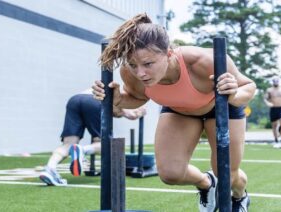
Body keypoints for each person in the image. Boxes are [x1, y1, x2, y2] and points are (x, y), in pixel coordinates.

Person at [92, 13, 256, 212]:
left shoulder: (203, 61)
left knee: (227, 175)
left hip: (221, 106)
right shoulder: (130, 72)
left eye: (148, 64)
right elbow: (138, 98)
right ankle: (206, 184)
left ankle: (240, 197)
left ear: (169, 54)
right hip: (180, 111)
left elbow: (249, 86)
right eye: (134, 65)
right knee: (171, 173)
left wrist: (233, 93)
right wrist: (118, 100)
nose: (140, 73)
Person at [39, 89, 146, 186]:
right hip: (95, 101)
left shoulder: (119, 90)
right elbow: (127, 113)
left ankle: (50, 169)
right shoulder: (126, 96)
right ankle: (82, 150)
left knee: (68, 144)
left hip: (75, 99)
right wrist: (135, 113)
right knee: (107, 145)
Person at [264, 77, 281, 148]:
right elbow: (265, 98)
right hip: (273, 108)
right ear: (273, 82)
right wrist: (267, 103)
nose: (275, 82)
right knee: (274, 125)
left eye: (277, 81)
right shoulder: (269, 90)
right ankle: (276, 141)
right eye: (274, 81)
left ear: (279, 81)